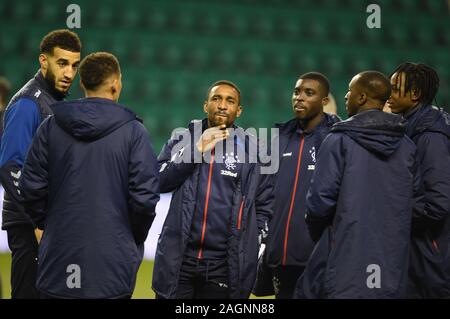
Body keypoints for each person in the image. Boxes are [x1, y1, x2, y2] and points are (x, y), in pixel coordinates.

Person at [19, 52, 160, 299]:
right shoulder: (134, 132)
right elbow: (145, 198)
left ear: (82, 83)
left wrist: (49, 225)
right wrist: (129, 237)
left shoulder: (50, 127)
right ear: (116, 84)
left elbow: (30, 187)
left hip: (57, 262)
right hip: (111, 267)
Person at [295, 71, 421, 298]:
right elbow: (416, 201)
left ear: (361, 98)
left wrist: (328, 236)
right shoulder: (409, 147)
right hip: (392, 263)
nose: (345, 96)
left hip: (345, 258)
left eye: (350, 91)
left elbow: (318, 204)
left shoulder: (337, 140)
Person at [152, 80, 274, 299]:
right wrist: (196, 149)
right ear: (205, 105)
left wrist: (252, 239)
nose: (222, 105)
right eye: (216, 98)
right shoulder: (183, 139)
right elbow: (159, 181)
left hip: (224, 266)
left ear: (239, 110)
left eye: (230, 100)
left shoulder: (253, 150)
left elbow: (265, 202)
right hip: (179, 259)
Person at [0, 29, 81, 299]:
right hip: (29, 226)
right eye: (62, 63)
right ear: (43, 61)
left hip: (48, 223)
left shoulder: (56, 103)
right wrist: (38, 221)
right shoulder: (27, 104)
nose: (69, 72)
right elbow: (11, 166)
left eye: (74, 65)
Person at [255, 72, 340, 299]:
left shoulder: (337, 139)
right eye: (296, 92)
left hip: (320, 256)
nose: (299, 97)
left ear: (324, 102)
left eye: (308, 93)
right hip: (281, 256)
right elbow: (264, 190)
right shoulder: (280, 137)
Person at [387, 62, 450, 298]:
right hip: (420, 251)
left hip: (430, 253)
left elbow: (437, 203)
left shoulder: (431, 136)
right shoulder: (412, 126)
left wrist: (394, 216)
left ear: (415, 94)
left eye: (395, 88)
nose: (387, 94)